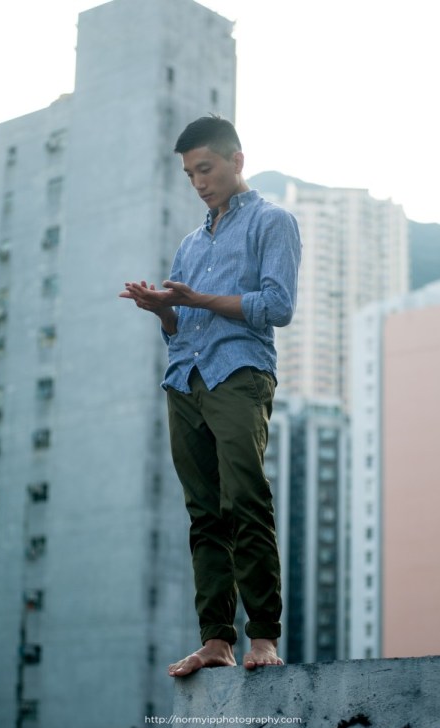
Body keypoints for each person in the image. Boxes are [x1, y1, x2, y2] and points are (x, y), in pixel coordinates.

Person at [120, 116, 301, 677]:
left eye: (206, 168)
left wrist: (200, 297)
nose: (198, 181)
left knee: (244, 500)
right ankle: (217, 640)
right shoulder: (190, 244)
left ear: (236, 160)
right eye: (189, 173)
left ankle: (264, 638)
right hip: (185, 382)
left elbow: (277, 307)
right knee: (203, 515)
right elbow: (181, 328)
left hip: (240, 374)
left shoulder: (274, 222)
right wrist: (164, 309)